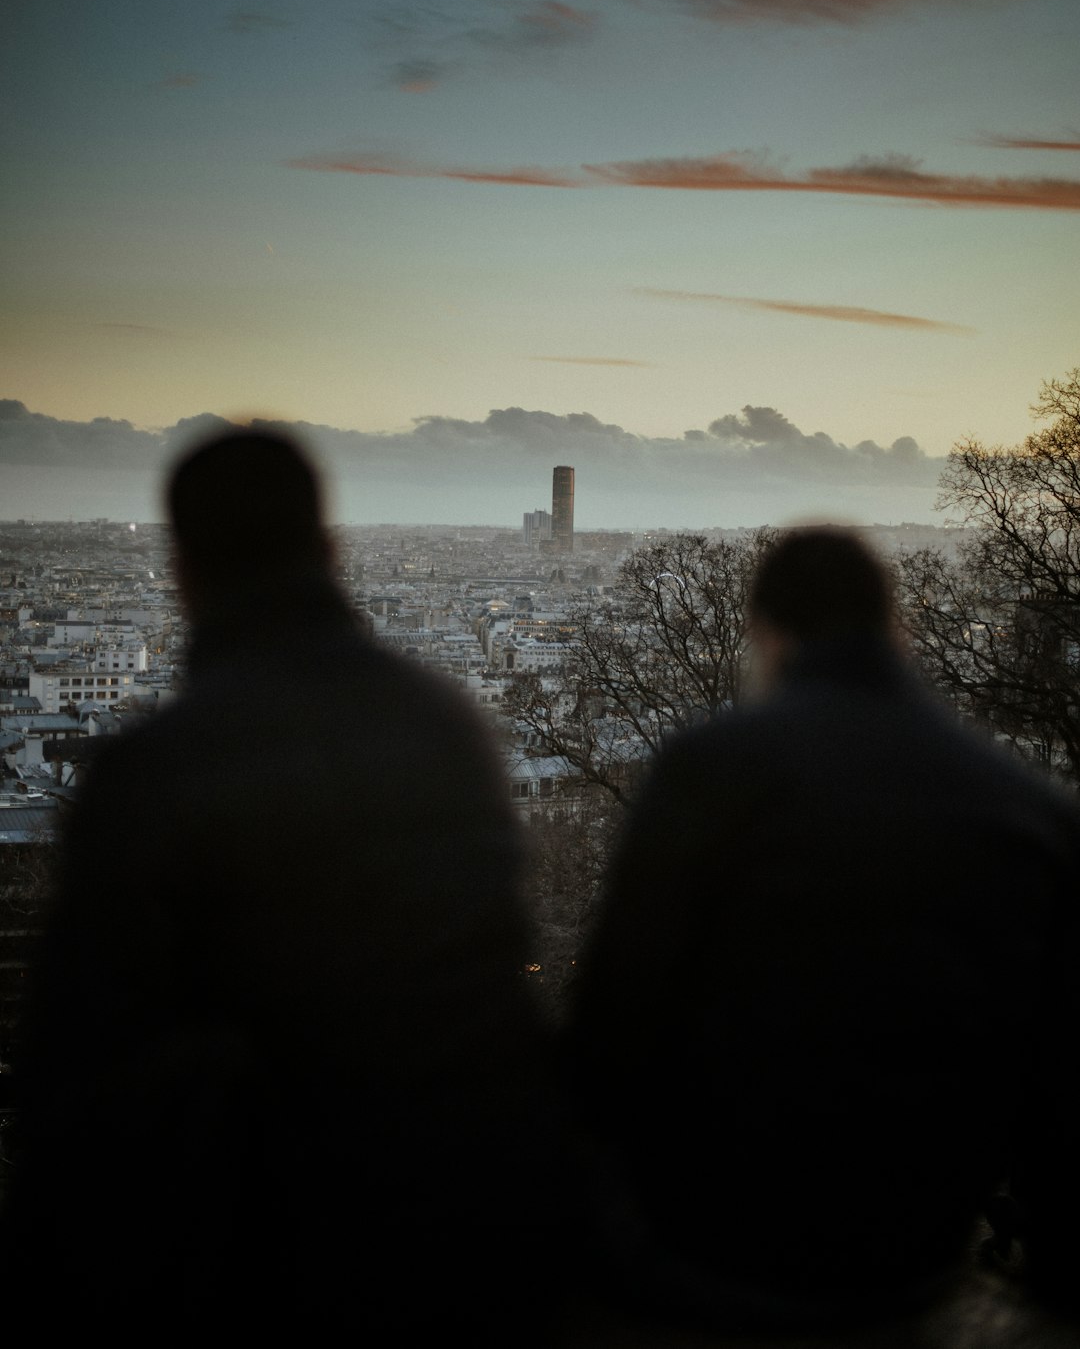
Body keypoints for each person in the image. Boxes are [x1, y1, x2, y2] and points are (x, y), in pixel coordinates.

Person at [2, 429, 560, 1341]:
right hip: (454, 1221)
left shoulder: (153, 769)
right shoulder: (447, 726)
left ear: (181, 571)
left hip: (256, 1247)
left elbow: (77, 1079)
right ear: (332, 550)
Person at [563, 524, 1080, 1334]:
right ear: (898, 632)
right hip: (912, 1253)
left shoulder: (707, 770)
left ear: (767, 636)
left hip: (715, 1247)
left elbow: (611, 1030)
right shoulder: (1026, 804)